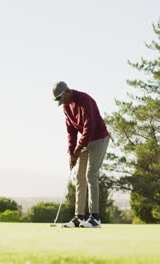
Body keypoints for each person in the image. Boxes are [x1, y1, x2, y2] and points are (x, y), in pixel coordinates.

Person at [52, 81, 110, 228]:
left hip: (99, 139)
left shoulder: (85, 100)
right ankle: (79, 217)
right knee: (79, 176)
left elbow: (88, 128)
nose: (62, 102)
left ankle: (95, 218)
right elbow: (71, 132)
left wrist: (77, 151)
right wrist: (71, 153)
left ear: (67, 92)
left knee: (91, 174)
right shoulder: (66, 107)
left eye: (61, 98)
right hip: (85, 142)